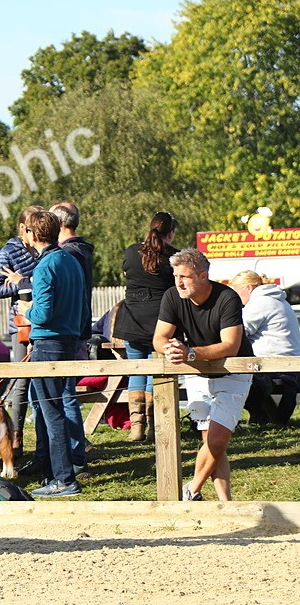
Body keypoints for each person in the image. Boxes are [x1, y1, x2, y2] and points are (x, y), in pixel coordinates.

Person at [154, 248, 254, 502]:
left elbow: (230, 346)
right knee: (212, 442)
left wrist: (189, 353)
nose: (178, 282)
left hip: (233, 372)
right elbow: (159, 338)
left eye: (184, 276)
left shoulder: (227, 297)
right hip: (198, 372)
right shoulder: (172, 296)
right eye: (176, 276)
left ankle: (191, 490)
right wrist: (169, 349)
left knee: (217, 441)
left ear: (202, 276)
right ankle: (225, 503)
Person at [20, 210, 85, 497]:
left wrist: (27, 311)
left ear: (33, 235)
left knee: (51, 413)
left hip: (48, 344)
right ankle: (55, 473)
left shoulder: (45, 266)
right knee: (56, 409)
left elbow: (43, 314)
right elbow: (82, 306)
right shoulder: (71, 260)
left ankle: (63, 478)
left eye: (26, 231)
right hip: (69, 341)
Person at [114, 212, 179, 441]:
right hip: (161, 321)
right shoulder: (174, 257)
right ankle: (153, 426)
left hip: (132, 318)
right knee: (156, 369)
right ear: (171, 233)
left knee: (136, 369)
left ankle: (136, 428)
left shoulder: (132, 252)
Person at [0, 205, 42, 459]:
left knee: (45, 379)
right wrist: (20, 286)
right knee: (22, 381)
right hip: (22, 324)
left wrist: (25, 281)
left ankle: (45, 437)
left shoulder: (43, 248)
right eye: (33, 226)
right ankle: (16, 435)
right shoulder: (8, 252)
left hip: (45, 319)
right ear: (23, 227)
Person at [51, 201, 94, 477]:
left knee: (65, 393)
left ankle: (76, 456)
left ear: (59, 224)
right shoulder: (81, 251)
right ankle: (73, 453)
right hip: (77, 327)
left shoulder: (68, 254)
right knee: (65, 393)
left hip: (68, 330)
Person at [230, 270, 300, 426]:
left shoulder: (260, 303)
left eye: (236, 290)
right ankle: (267, 417)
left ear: (248, 287)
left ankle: (261, 416)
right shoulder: (278, 300)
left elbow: (237, 332)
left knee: (231, 375)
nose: (235, 296)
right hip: (287, 363)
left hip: (273, 365)